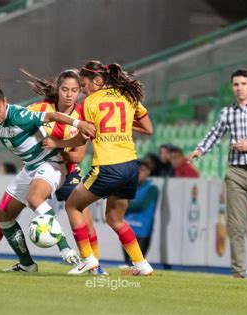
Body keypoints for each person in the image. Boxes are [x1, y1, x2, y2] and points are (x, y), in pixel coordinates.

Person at [0, 70, 107, 274]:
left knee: (35, 198)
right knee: (2, 214)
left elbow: (54, 116)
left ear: (5, 101)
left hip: (51, 164)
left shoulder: (20, 115)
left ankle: (67, 250)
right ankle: (26, 264)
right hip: (30, 168)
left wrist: (79, 124)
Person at [44, 60, 154, 276]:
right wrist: (125, 124)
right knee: (115, 218)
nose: (84, 90)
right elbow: (148, 129)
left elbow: (81, 138)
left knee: (73, 206)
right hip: (131, 167)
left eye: (84, 86)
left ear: (97, 80)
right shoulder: (129, 96)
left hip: (108, 166)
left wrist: (57, 144)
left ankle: (87, 260)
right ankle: (141, 264)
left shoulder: (90, 102)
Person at [188, 68, 247, 280]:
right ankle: (238, 271)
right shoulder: (227, 112)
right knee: (236, 225)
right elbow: (215, 133)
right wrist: (200, 149)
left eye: (243, 84)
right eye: (235, 85)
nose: (239, 88)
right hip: (236, 173)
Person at [121, 159, 159, 266]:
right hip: (128, 226)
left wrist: (124, 206)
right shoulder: (128, 186)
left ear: (148, 172)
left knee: (137, 262)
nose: (139, 173)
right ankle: (128, 277)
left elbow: (141, 205)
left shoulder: (152, 188)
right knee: (127, 263)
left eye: (142, 170)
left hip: (143, 229)